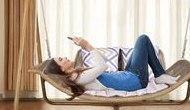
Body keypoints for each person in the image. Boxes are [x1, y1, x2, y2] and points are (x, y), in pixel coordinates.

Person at [44, 35, 179, 97]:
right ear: (61, 69)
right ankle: (159, 75)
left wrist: (88, 46)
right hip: (135, 81)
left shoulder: (78, 74)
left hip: (128, 75)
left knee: (142, 42)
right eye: (61, 60)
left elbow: (103, 62)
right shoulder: (78, 79)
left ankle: (159, 75)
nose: (65, 58)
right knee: (142, 40)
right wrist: (86, 46)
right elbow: (103, 67)